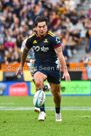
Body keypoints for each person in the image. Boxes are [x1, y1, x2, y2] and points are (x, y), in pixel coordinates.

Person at [16, 16, 70, 121]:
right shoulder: (31, 39)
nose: (42, 29)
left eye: (44, 26)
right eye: (40, 27)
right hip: (40, 67)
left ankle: (58, 112)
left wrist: (66, 71)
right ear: (36, 27)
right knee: (38, 82)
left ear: (47, 26)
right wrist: (21, 65)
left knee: (56, 94)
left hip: (53, 68)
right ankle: (42, 112)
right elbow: (24, 52)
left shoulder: (53, 38)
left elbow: (60, 55)